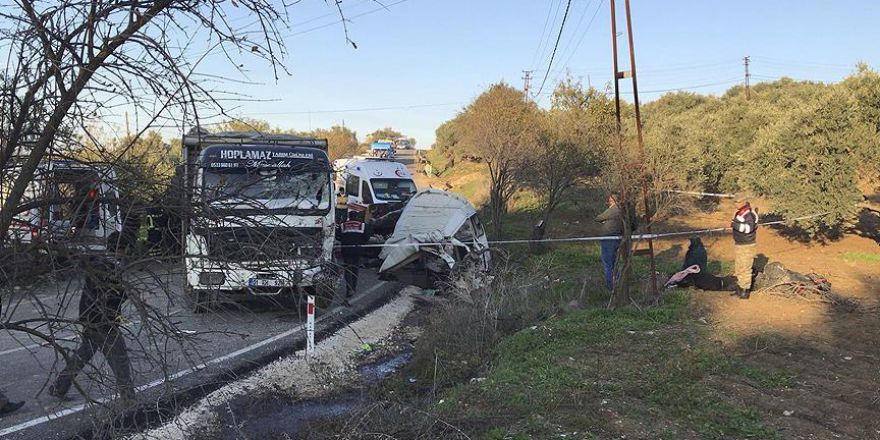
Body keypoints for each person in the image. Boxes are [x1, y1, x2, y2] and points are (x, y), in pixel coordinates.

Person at [48, 231, 135, 403]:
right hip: (103, 321)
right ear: (121, 249)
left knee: (83, 354)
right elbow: (109, 296)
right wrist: (125, 294)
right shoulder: (109, 267)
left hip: (90, 318)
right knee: (120, 360)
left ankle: (59, 386)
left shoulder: (98, 263)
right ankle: (129, 398)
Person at [337, 204, 372, 306]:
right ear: (357, 217)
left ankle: (349, 288)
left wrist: (344, 240)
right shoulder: (362, 225)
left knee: (347, 269)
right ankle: (354, 287)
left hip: (346, 250)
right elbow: (367, 237)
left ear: (349, 217)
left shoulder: (343, 225)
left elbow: (338, 236)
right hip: (358, 250)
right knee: (355, 269)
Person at [595, 193, 624, 291]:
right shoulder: (622, 210)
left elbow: (599, 217)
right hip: (616, 238)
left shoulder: (614, 209)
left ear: (612, 201)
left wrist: (605, 221)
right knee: (614, 262)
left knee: (608, 263)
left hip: (609, 239)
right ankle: (618, 284)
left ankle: (610, 287)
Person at [731, 199, 758, 299]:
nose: (735, 204)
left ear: (743, 202)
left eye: (737, 202)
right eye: (734, 202)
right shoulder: (740, 212)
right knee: (739, 267)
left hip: (747, 245)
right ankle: (739, 288)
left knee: (745, 268)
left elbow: (748, 229)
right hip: (739, 244)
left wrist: (734, 225)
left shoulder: (749, 214)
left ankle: (745, 291)